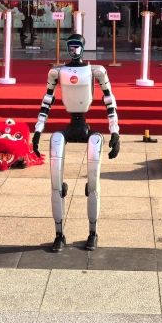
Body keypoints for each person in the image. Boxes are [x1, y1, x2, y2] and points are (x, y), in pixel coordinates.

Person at [32, 34, 120, 252]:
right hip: (69, 127)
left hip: (88, 130)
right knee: (56, 182)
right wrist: (38, 130)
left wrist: (115, 132)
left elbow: (109, 100)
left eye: (77, 47)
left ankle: (92, 232)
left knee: (93, 182)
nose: (73, 51)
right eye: (70, 47)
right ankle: (59, 233)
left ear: (83, 48)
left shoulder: (95, 71)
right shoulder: (57, 72)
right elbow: (47, 100)